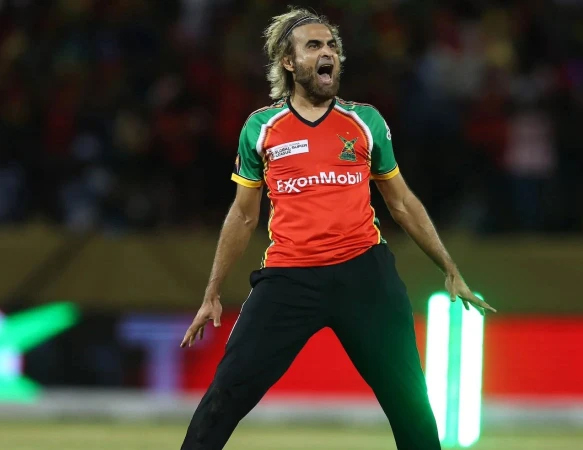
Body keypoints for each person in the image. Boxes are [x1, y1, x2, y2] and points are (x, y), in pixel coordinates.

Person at [179, 7, 496, 450]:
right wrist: (212, 291)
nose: (327, 52)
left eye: (331, 46)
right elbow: (244, 215)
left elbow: (401, 202)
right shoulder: (261, 128)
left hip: (365, 275)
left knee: (412, 409)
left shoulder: (366, 122)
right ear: (289, 62)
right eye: (313, 46)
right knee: (224, 397)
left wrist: (449, 267)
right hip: (289, 279)